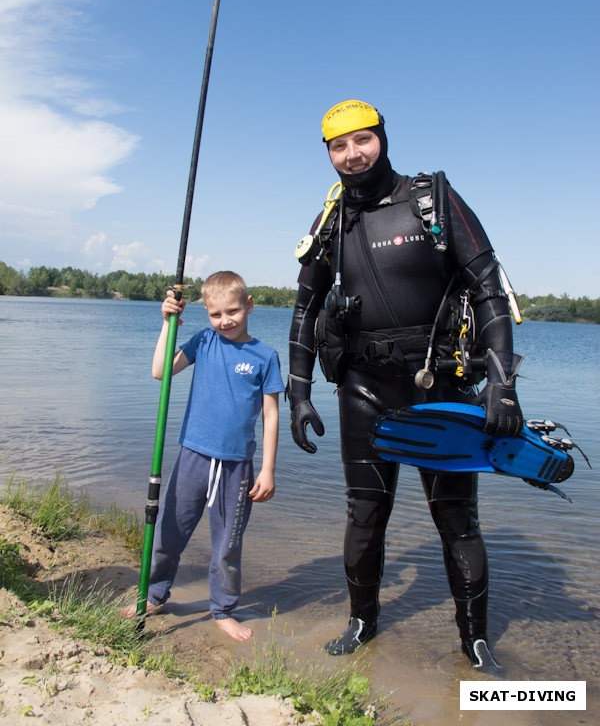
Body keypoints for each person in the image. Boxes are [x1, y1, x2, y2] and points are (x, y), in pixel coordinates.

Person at [287, 100, 523, 670]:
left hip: (439, 389)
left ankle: (475, 641)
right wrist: (297, 389)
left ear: (382, 139)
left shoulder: (432, 200)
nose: (352, 154)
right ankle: (363, 623)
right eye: (338, 147)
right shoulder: (332, 220)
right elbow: (305, 305)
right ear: (328, 154)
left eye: (362, 140)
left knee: (457, 519)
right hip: (363, 391)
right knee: (364, 514)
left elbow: (488, 285)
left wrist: (503, 382)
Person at [125, 270, 285, 641]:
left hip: (237, 467)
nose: (225, 320)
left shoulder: (265, 356)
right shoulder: (203, 341)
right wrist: (169, 323)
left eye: (233, 311)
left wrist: (269, 469)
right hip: (193, 457)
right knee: (168, 534)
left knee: (227, 545)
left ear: (249, 306)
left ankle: (222, 609)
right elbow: (159, 371)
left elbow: (271, 414)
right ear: (206, 313)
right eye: (216, 314)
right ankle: (153, 595)